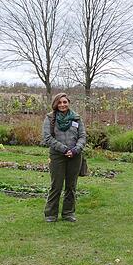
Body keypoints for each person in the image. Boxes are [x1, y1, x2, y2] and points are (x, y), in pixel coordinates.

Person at [42, 93, 86, 222]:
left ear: (68, 103)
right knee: (56, 185)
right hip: (57, 156)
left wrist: (76, 149)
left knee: (71, 186)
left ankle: (68, 213)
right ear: (56, 104)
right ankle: (51, 214)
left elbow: (82, 136)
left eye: (65, 102)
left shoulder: (77, 118)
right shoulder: (50, 118)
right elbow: (47, 138)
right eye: (60, 102)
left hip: (75, 155)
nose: (62, 105)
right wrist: (64, 149)